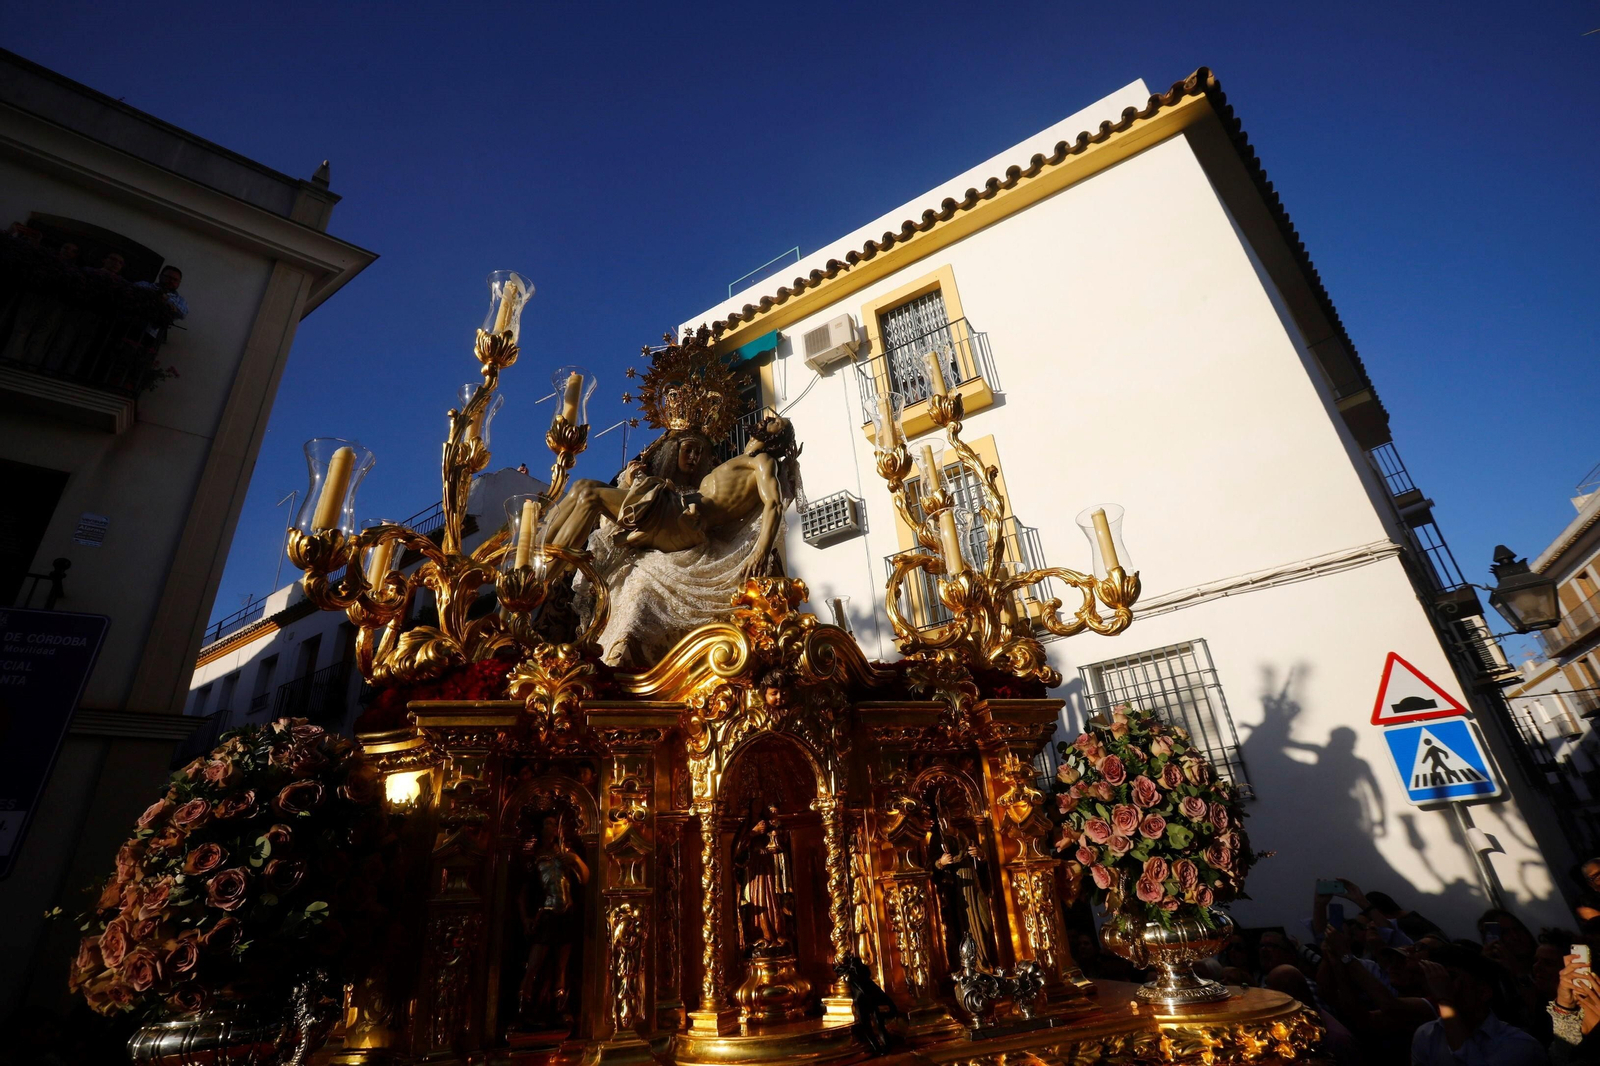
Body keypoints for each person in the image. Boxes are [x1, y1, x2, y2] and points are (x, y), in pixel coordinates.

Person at [1410, 945, 1546, 1066]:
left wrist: (1445, 1001)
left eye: (1450, 978)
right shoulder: (1427, 1034)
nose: (1440, 986)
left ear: (1483, 992)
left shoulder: (1519, 1046)